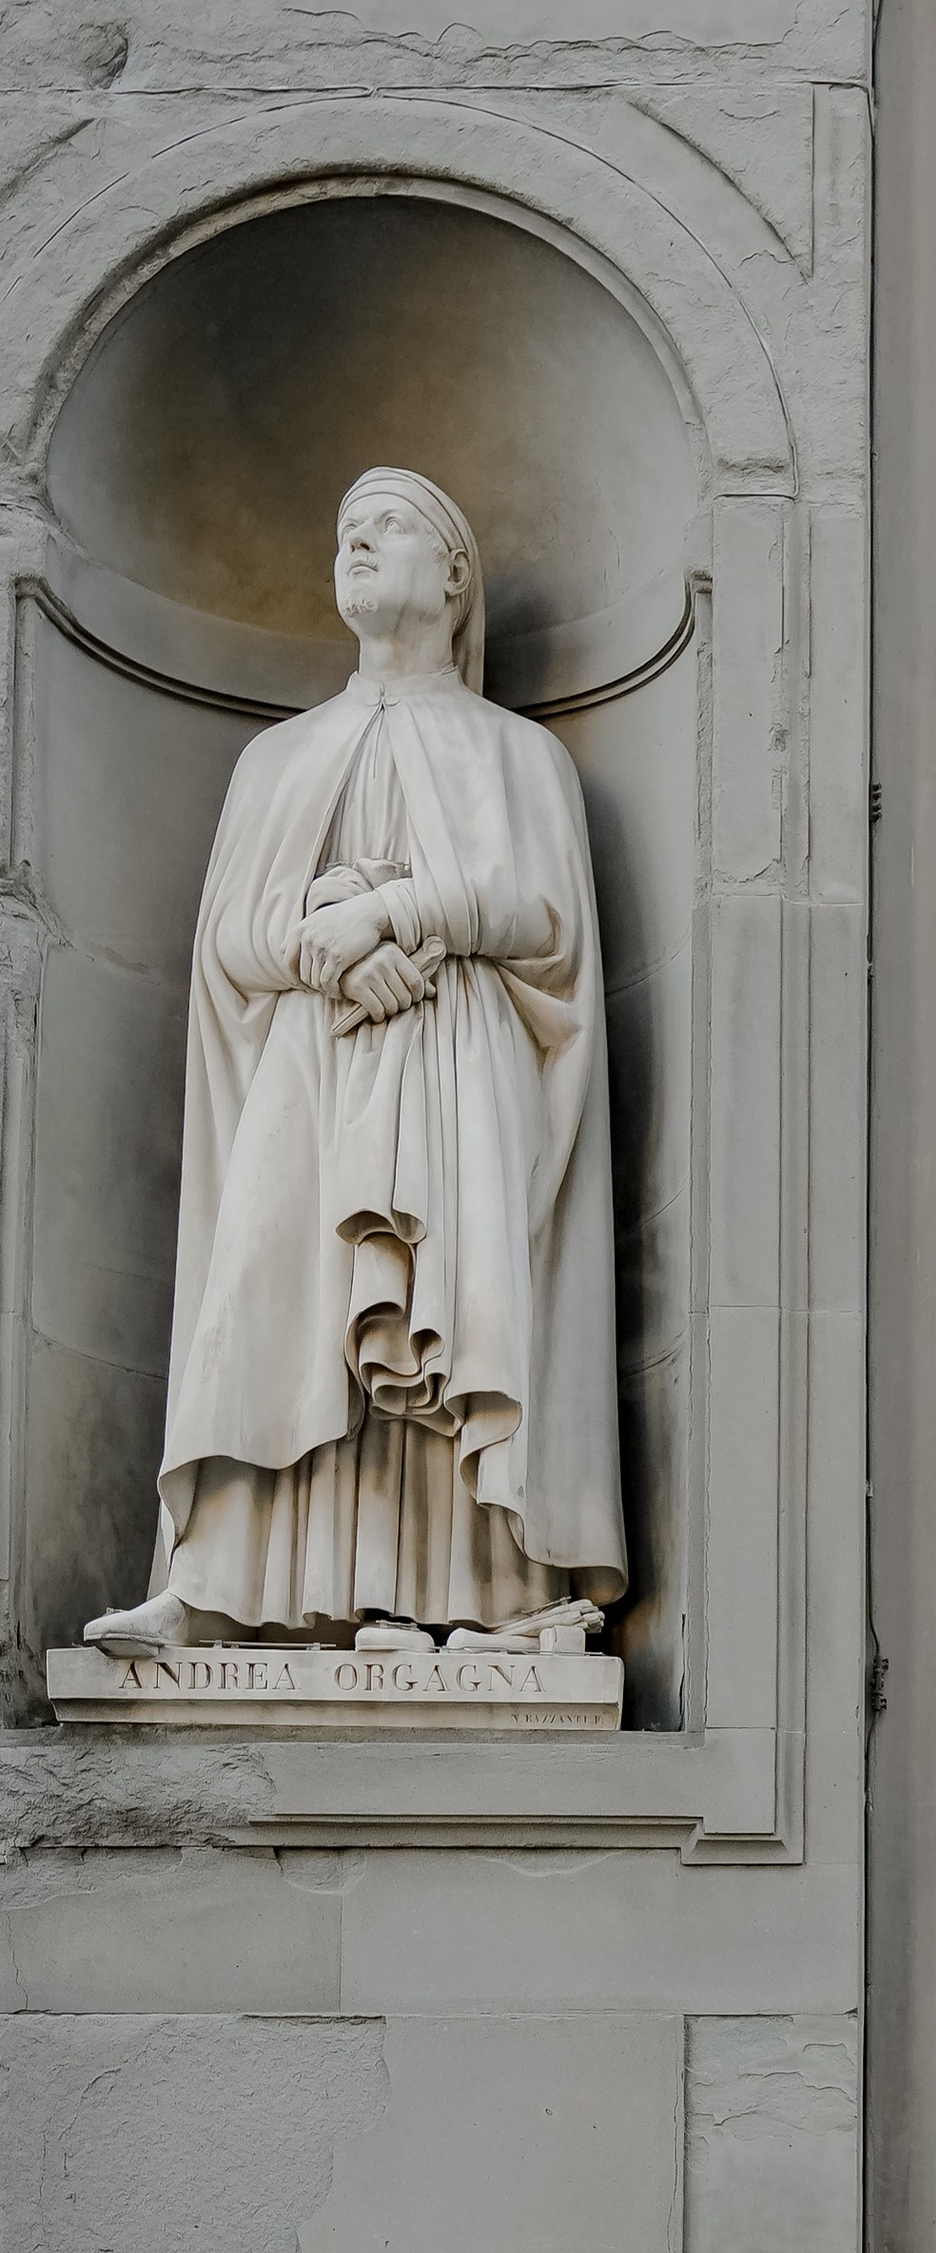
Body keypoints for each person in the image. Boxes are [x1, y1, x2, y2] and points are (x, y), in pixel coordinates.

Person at [85, 468, 625, 1654]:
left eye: (387, 528)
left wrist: (397, 916)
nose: (357, 545)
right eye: (344, 534)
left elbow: (547, 920)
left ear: (453, 574)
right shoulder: (278, 760)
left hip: (459, 1063)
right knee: (272, 1297)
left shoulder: (517, 755)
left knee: (449, 1305)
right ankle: (221, 1584)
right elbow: (230, 938)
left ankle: (459, 1598)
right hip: (310, 1072)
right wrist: (325, 951)